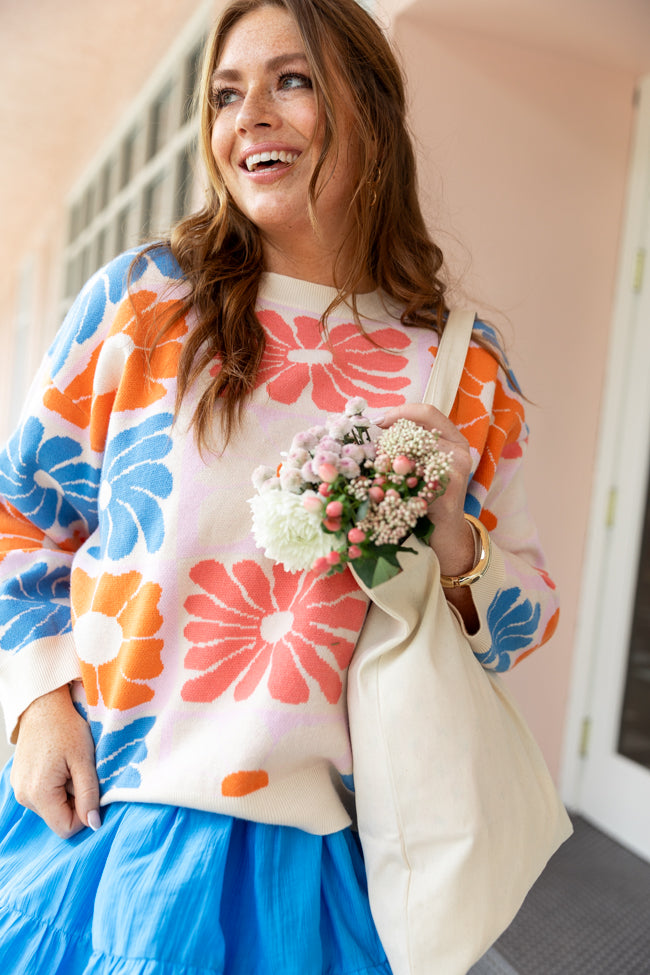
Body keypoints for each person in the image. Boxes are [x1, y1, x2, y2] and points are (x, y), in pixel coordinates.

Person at [0, 0, 560, 972]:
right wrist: (37, 705)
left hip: (330, 861)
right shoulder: (145, 303)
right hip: (110, 826)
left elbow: (523, 622)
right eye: (226, 94)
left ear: (369, 107)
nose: (250, 115)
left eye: (291, 80)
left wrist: (451, 539)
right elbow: (21, 515)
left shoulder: (461, 369)